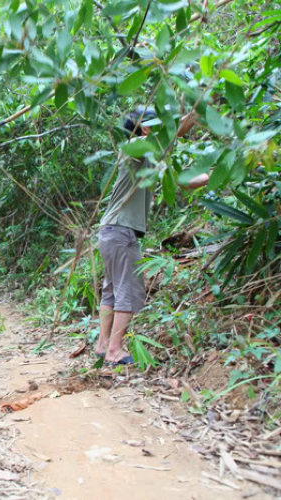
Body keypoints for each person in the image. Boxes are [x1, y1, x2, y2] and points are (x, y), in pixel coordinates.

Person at [96, 107, 210, 365]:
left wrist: (218, 174)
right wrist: (195, 112)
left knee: (112, 290)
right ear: (145, 128)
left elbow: (184, 181)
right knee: (128, 288)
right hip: (121, 231)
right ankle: (115, 349)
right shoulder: (135, 147)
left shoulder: (146, 156)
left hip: (112, 231)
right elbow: (171, 133)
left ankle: (103, 345)